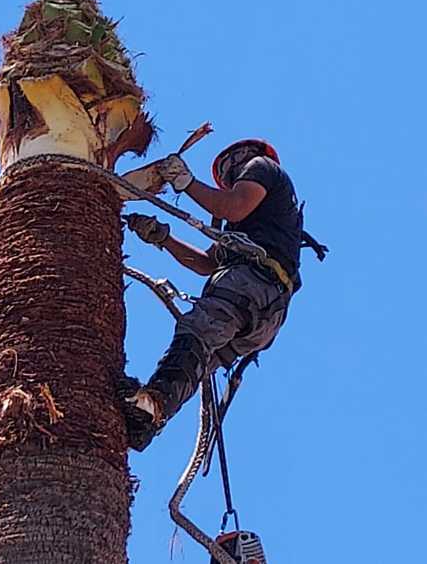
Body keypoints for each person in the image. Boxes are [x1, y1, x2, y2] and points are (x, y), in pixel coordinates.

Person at [121, 139, 302, 451]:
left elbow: (232, 204)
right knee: (198, 360)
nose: (231, 169)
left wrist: (186, 183)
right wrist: (163, 238)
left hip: (252, 284)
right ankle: (149, 415)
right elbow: (206, 263)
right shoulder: (251, 225)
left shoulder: (263, 169)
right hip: (265, 314)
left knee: (196, 334)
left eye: (231, 165)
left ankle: (153, 404)